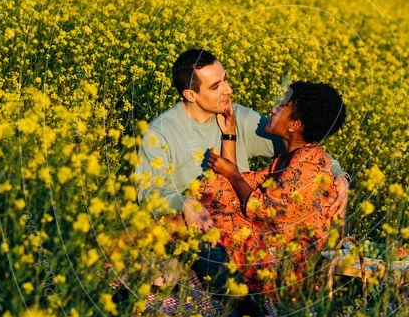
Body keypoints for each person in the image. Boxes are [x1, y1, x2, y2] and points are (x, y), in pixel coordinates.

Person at [136, 49, 349, 231]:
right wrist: (185, 203)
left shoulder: (240, 118)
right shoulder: (161, 132)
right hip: (192, 228)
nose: (228, 90)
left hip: (242, 229)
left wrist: (340, 176)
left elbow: (304, 149)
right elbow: (146, 192)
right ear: (191, 95)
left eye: (225, 79)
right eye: (215, 86)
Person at [202, 81, 347, 296]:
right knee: (211, 196)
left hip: (283, 272)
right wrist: (230, 135)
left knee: (202, 219)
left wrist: (231, 174)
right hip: (276, 248)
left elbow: (261, 207)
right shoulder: (295, 158)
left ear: (294, 125)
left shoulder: (308, 165)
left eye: (283, 106)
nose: (274, 108)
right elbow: (246, 183)